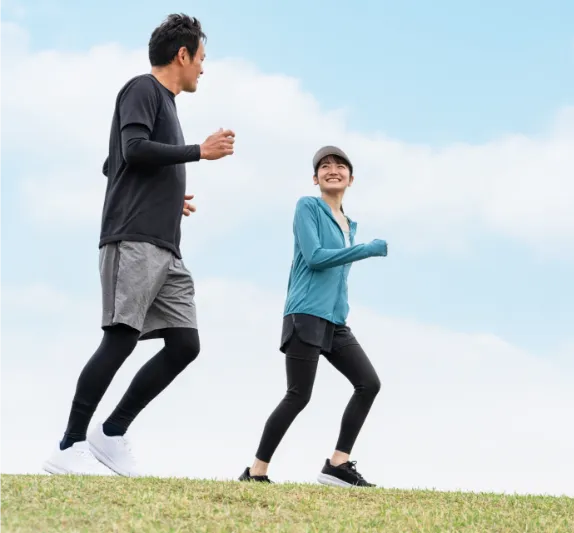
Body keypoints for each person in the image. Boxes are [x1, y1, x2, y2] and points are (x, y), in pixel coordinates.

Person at [42, 13, 235, 477]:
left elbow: (115, 165)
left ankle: (109, 434)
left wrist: (168, 191)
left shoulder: (167, 104)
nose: (203, 70)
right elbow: (130, 151)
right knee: (121, 338)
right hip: (133, 239)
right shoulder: (142, 89)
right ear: (182, 54)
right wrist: (196, 153)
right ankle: (67, 447)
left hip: (166, 245)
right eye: (202, 59)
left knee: (185, 344)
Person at [238, 146, 387, 487]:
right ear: (315, 177)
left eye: (339, 165)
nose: (332, 169)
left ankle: (337, 465)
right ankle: (255, 472)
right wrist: (368, 249)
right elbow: (316, 257)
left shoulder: (349, 224)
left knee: (369, 384)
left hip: (335, 322)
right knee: (298, 395)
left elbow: (339, 275)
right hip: (305, 313)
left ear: (351, 178)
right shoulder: (308, 207)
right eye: (324, 166)